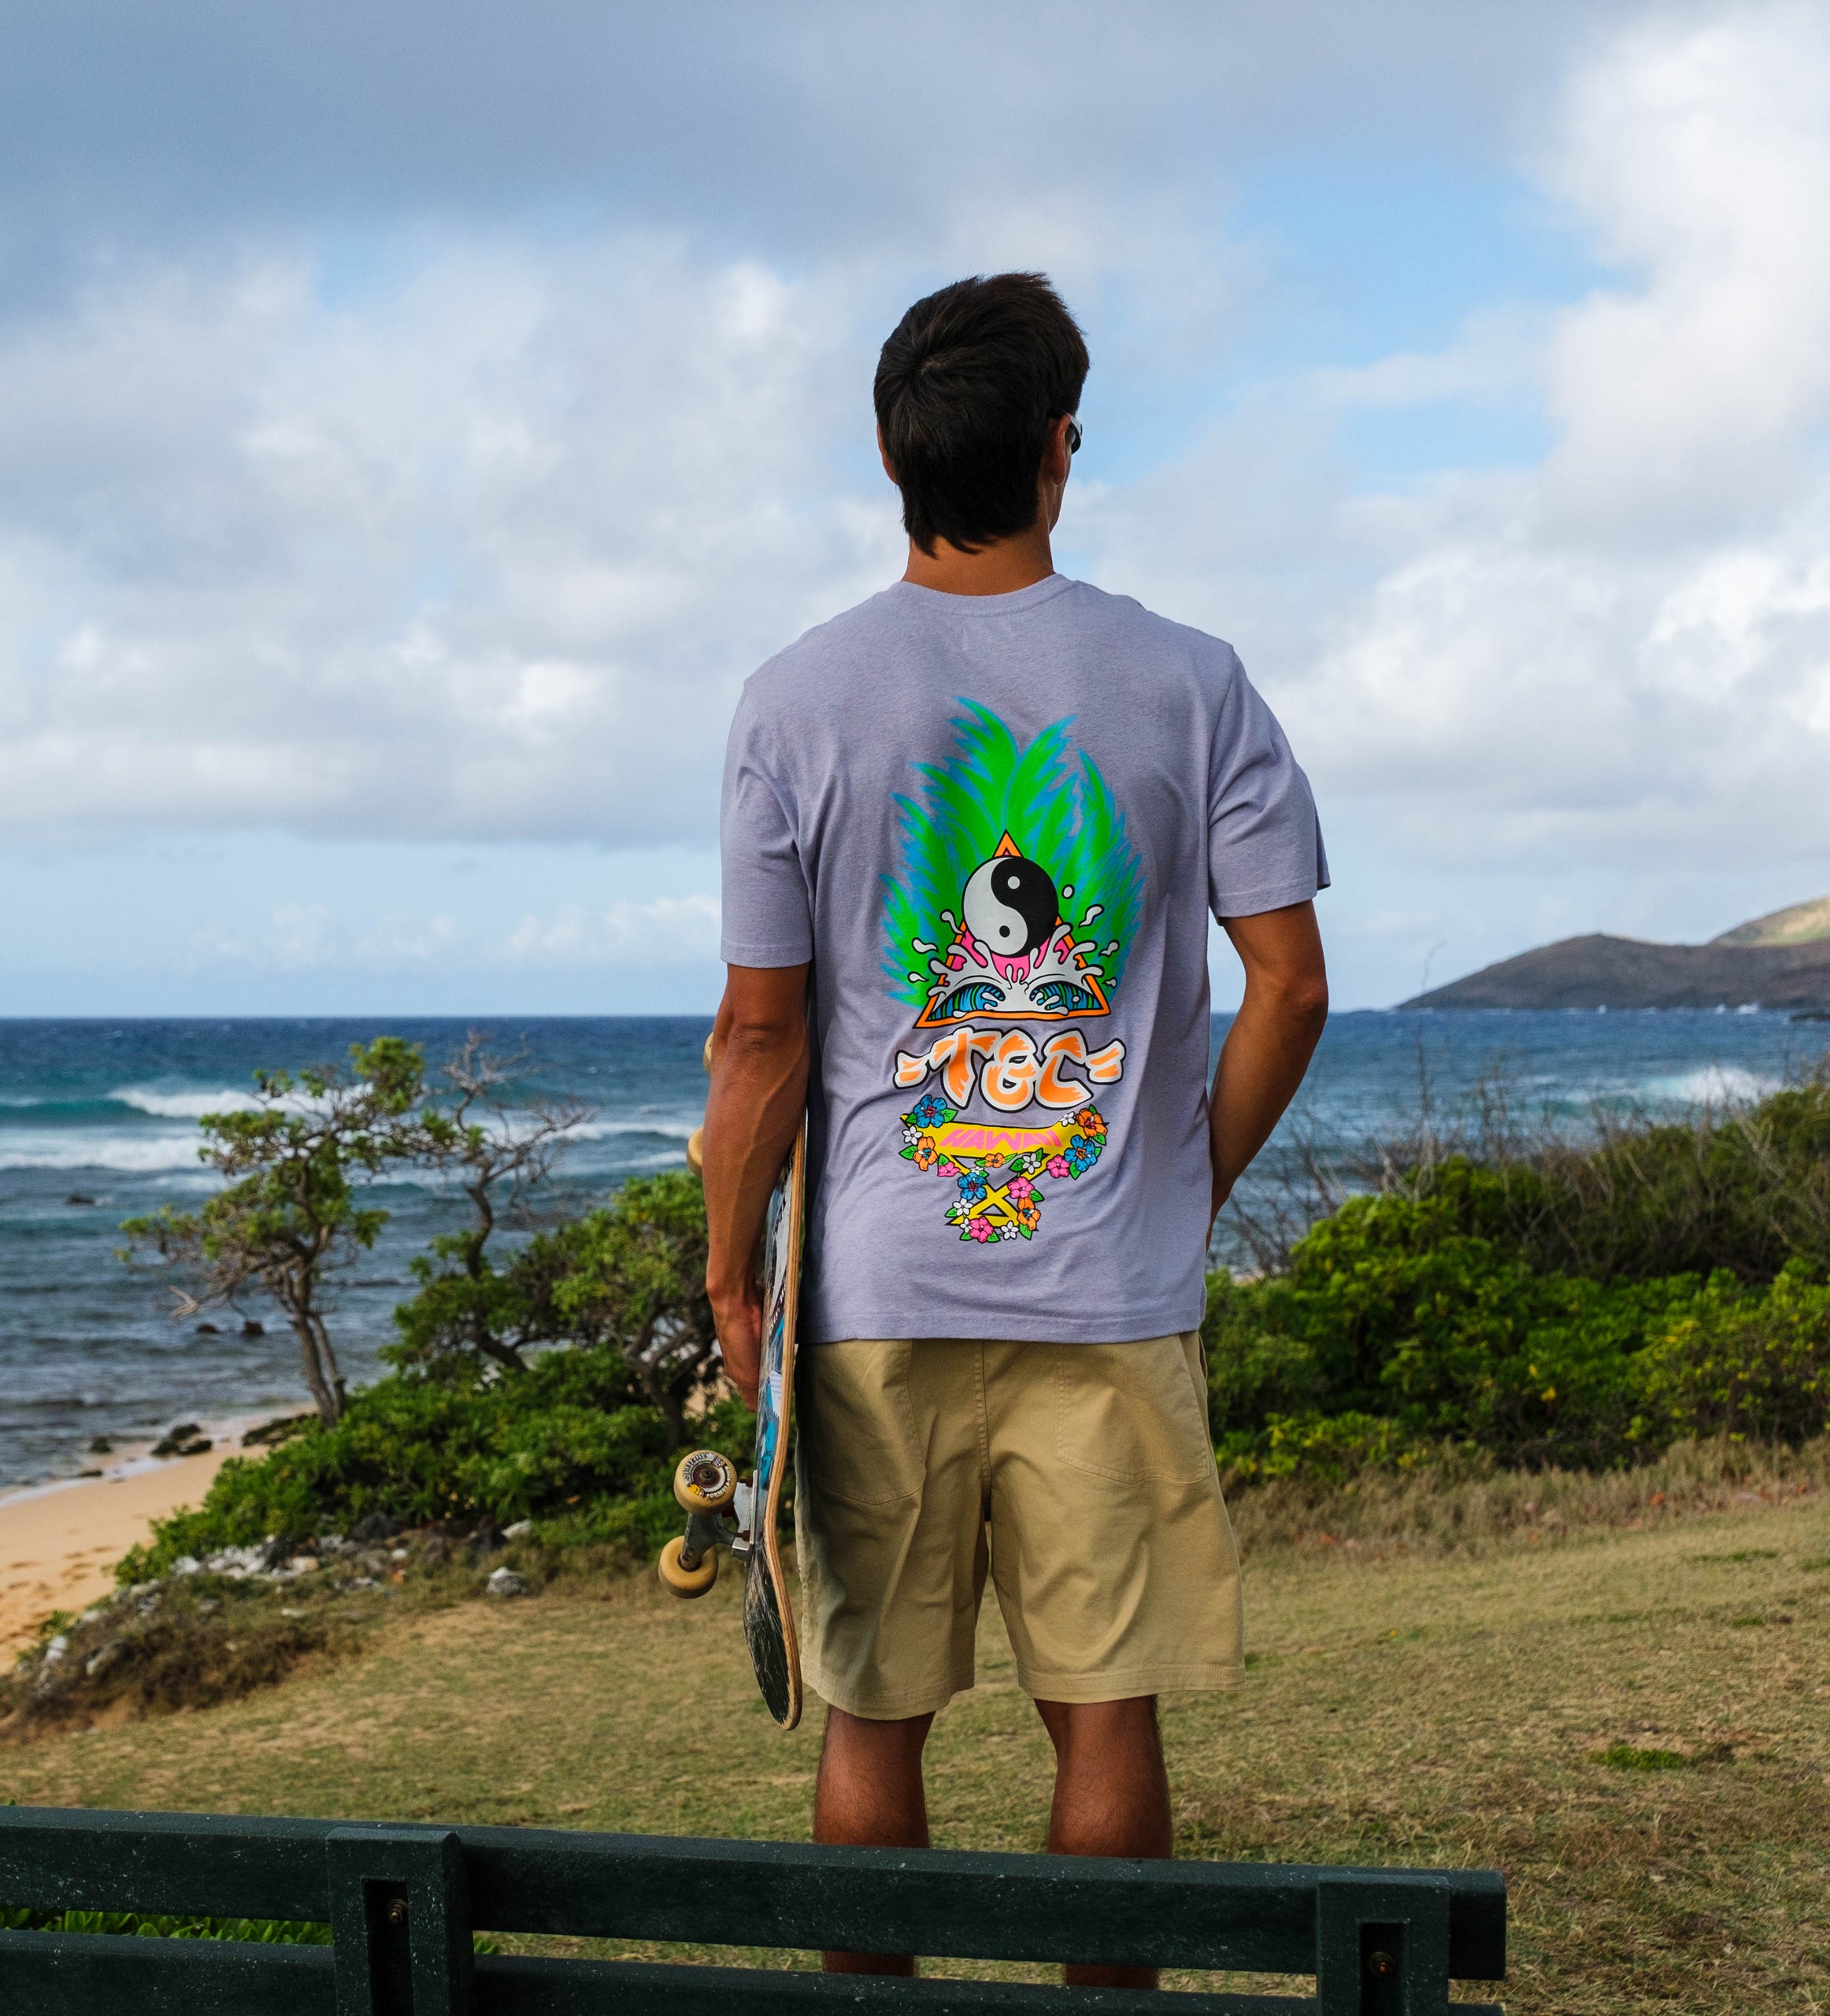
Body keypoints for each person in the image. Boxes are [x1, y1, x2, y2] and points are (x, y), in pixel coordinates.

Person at [700, 272, 1331, 1987]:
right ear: (1059, 449)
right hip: (1110, 1288)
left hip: (877, 1288)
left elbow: (762, 1034)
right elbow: (1288, 986)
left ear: (893, 454)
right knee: (1103, 1712)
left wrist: (735, 1277)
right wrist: (1182, 1180)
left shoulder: (794, 696)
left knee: (869, 1717)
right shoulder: (1193, 682)